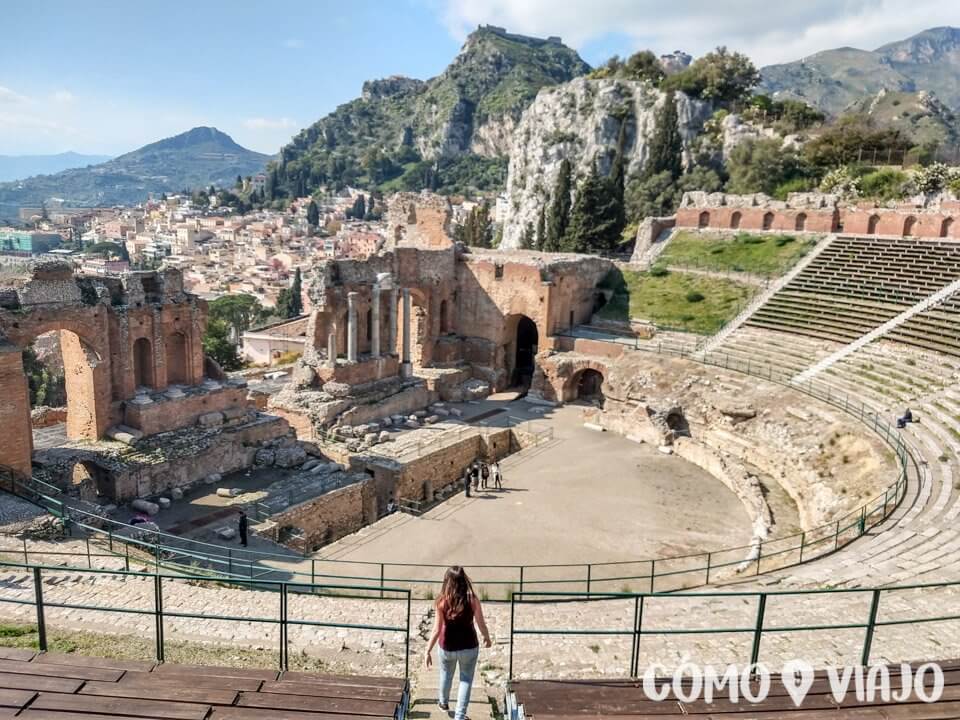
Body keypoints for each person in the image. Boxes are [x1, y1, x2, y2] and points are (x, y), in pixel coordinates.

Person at [425, 566, 491, 720]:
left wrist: (427, 650)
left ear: (447, 581)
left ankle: (443, 702)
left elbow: (436, 629)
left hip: (447, 646)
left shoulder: (442, 602)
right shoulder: (472, 600)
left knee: (445, 674)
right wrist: (487, 637)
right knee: (466, 680)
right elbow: (481, 623)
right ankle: (460, 716)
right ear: (464, 580)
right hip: (469, 646)